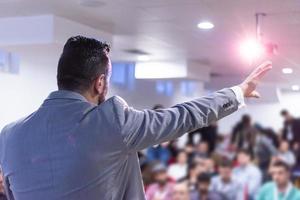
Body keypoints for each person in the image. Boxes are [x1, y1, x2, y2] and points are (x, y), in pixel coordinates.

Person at [0, 35, 272, 200]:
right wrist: (237, 93)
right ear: (100, 84)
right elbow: (183, 116)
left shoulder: (9, 136)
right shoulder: (111, 122)